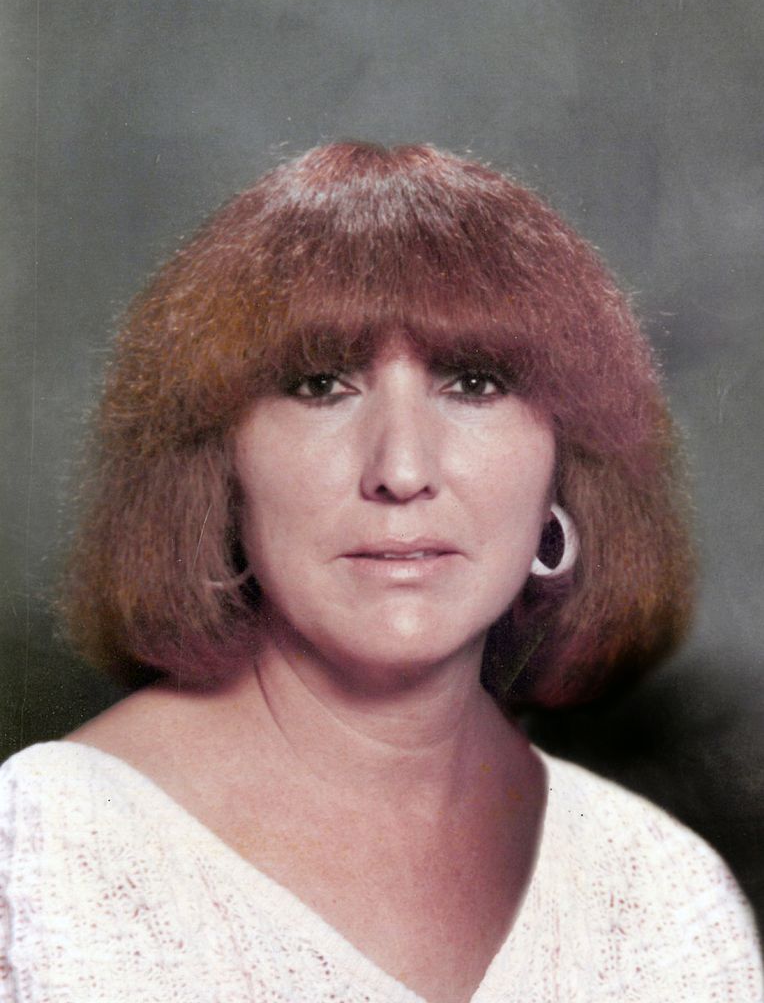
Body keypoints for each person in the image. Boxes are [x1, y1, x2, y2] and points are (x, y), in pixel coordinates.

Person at [0, 142, 760, 1003]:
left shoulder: (658, 889)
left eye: (474, 384)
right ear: (219, 465)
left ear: (565, 463)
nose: (401, 470)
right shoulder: (51, 852)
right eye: (321, 385)